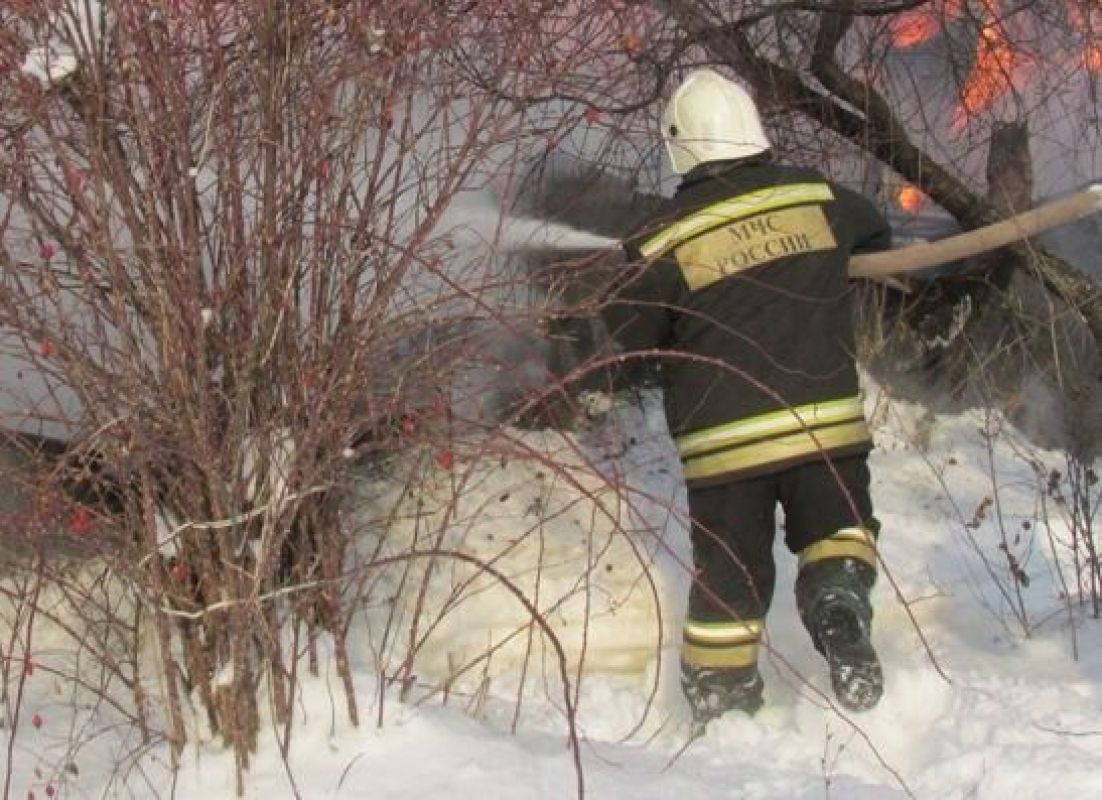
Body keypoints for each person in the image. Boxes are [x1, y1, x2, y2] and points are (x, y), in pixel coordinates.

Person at [593, 69, 893, 725]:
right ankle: (838, 601)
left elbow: (626, 332)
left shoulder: (664, 236)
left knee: (731, 577)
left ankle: (722, 700)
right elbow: (874, 235)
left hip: (725, 448)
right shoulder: (817, 193)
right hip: (825, 428)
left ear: (680, 146)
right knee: (837, 532)